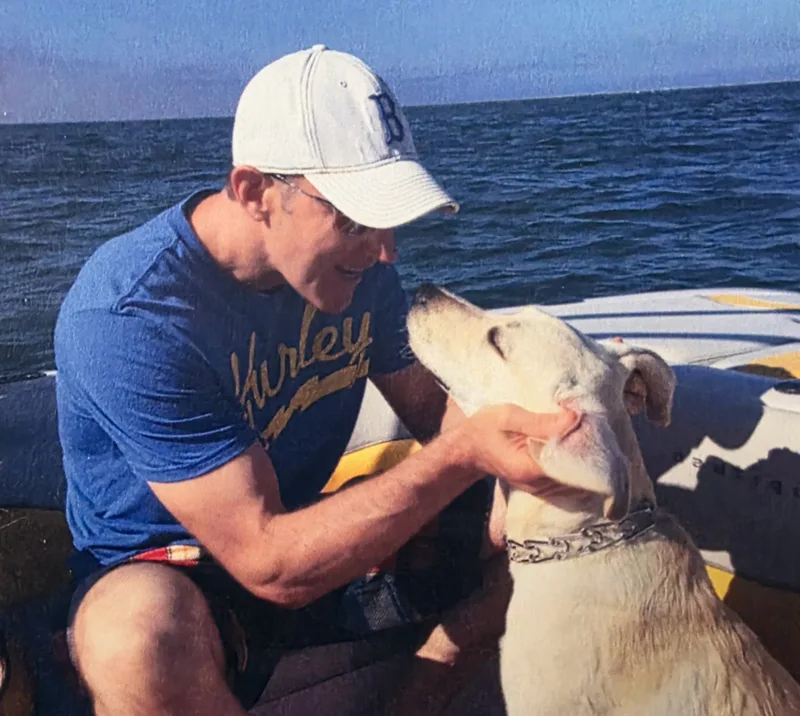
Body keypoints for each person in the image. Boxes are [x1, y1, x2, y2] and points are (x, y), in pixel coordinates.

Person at [54, 44, 576, 716]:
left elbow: (432, 410)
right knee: (136, 638)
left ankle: (425, 688)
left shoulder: (357, 271)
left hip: (301, 526)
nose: (386, 249)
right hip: (169, 565)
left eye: (391, 218)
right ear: (255, 193)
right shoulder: (131, 316)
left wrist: (526, 452)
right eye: (356, 217)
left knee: (567, 519)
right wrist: (469, 452)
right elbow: (266, 558)